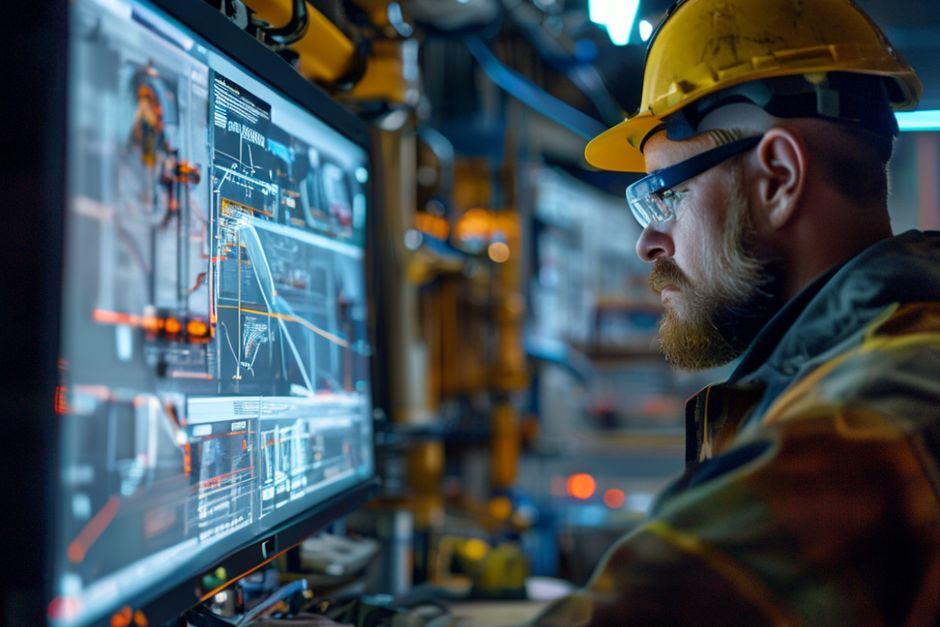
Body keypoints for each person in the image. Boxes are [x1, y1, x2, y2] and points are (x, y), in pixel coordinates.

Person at [532, 0, 940, 624]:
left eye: (667, 196)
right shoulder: (865, 361)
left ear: (777, 177)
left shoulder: (871, 421)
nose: (648, 242)